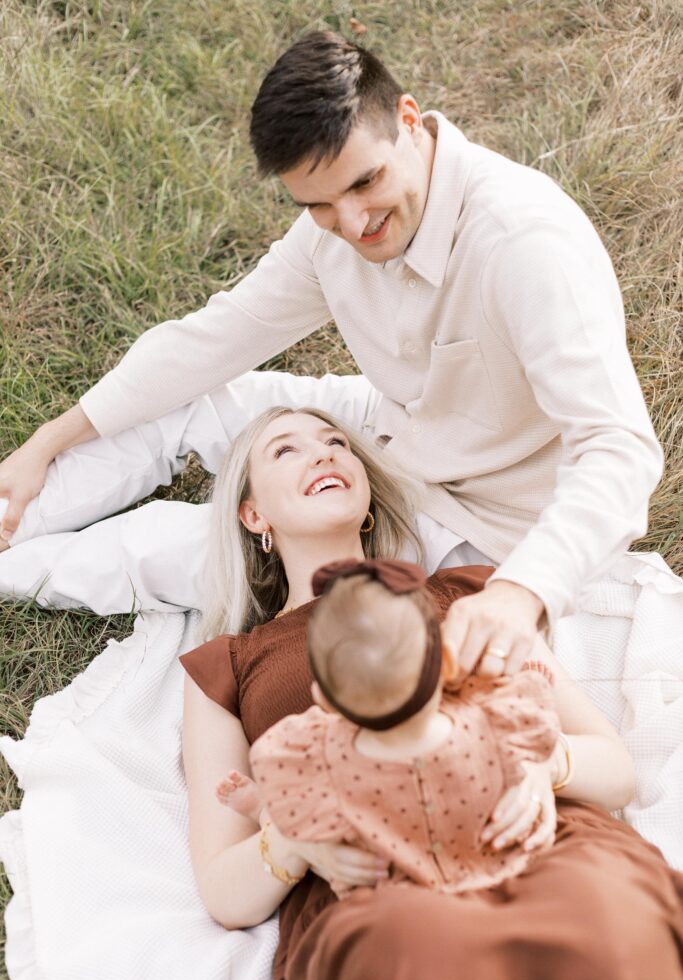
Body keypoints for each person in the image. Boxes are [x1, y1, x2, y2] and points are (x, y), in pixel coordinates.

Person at [0, 30, 664, 682]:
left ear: (407, 120)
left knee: (176, 545)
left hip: (474, 517)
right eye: (317, 205)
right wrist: (46, 442)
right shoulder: (335, 227)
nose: (352, 224)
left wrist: (521, 591)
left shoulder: (524, 245)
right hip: (391, 421)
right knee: (191, 399)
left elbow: (618, 449)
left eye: (365, 183)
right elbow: (215, 338)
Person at [179, 404, 683, 980]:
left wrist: (536, 767)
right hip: (373, 879)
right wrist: (302, 833)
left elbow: (616, 770)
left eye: (337, 441)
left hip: (534, 837)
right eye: (286, 450)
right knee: (420, 962)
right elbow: (226, 893)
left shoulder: (472, 593)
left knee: (608, 919)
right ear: (253, 514)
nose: (325, 452)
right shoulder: (228, 665)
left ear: (366, 503)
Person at [215, 556, 563, 901]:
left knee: (306, 809)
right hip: (498, 869)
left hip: (394, 887)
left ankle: (267, 810)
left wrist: (543, 772)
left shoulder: (323, 755)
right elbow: (533, 695)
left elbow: (285, 776)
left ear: (323, 700)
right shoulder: (487, 714)